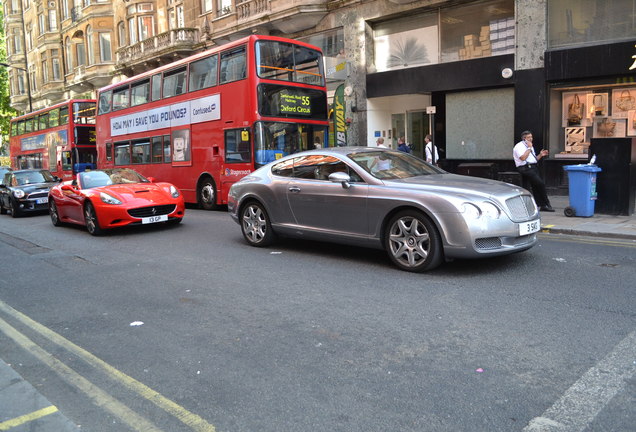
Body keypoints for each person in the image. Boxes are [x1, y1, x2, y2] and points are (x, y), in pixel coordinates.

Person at [513, 130, 554, 212]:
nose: (531, 139)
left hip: (533, 167)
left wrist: (540, 155)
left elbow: (534, 159)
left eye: (531, 137)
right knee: (540, 184)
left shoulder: (530, 146)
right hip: (525, 168)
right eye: (528, 137)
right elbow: (523, 158)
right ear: (524, 139)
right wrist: (529, 148)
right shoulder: (519, 147)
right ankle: (546, 204)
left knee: (534, 186)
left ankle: (541, 205)